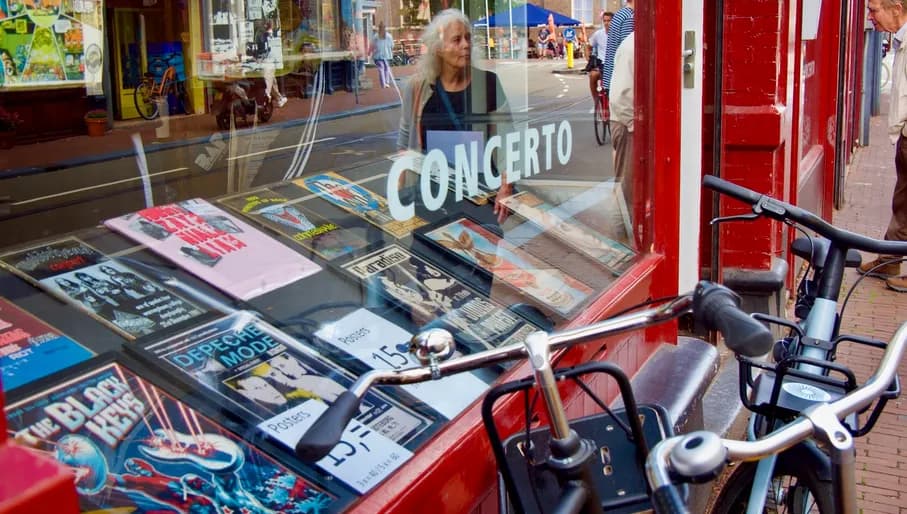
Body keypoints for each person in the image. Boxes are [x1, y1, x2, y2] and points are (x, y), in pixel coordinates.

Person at [396, 8, 513, 222]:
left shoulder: (488, 83)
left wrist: (506, 188)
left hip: (479, 193)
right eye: (457, 40)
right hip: (431, 196)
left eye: (468, 38)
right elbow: (405, 141)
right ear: (439, 48)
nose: (466, 45)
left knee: (479, 252)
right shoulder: (417, 88)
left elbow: (508, 141)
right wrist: (399, 189)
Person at [860, 0, 907, 291]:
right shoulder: (901, 39)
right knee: (903, 198)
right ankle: (891, 255)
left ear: (897, 9)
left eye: (874, 9)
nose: (870, 17)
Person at [609, 32, 634, 188]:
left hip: (627, 121)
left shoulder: (632, 43)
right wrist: (634, 126)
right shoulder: (632, 46)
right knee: (627, 188)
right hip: (627, 124)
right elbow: (620, 95)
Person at [602, 0, 634, 94]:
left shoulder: (620, 14)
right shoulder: (630, 17)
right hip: (621, 79)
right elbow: (629, 51)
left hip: (611, 77)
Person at [585, 11, 613, 103]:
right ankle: (596, 100)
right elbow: (588, 47)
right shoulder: (598, 34)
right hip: (602, 64)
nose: (606, 23)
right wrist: (589, 59)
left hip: (614, 64)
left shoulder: (618, 33)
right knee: (592, 75)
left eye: (609, 20)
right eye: (604, 21)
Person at [258, 22, 287, 108]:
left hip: (268, 61)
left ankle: (279, 98)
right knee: (270, 80)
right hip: (270, 61)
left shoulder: (263, 35)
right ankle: (268, 97)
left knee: (272, 80)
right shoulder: (271, 35)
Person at [371, 21, 395, 88]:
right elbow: (392, 45)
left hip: (378, 55)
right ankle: (387, 83)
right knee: (387, 68)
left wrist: (371, 52)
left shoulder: (375, 36)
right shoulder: (389, 36)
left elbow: (372, 45)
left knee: (381, 69)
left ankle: (383, 84)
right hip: (387, 55)